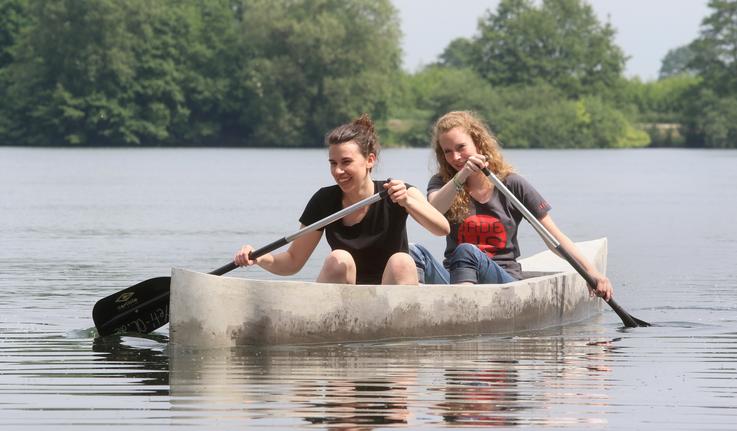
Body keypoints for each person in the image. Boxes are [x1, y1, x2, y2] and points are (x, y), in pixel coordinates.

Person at [411, 110, 612, 300]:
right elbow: (434, 211)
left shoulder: (512, 184)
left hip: (503, 280)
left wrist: (592, 272)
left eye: (461, 147)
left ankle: (461, 309)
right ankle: (417, 308)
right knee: (411, 252)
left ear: (478, 144)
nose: (455, 157)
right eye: (447, 152)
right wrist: (461, 176)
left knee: (466, 251)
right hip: (455, 277)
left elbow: (554, 239)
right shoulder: (442, 183)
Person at [234, 114, 450, 285]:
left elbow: (442, 229)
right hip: (346, 296)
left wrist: (407, 202)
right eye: (332, 163)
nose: (338, 171)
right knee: (339, 259)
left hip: (392, 290)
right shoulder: (324, 200)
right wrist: (259, 257)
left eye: (346, 162)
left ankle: (397, 339)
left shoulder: (397, 191)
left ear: (369, 160)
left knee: (402, 261)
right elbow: (292, 262)